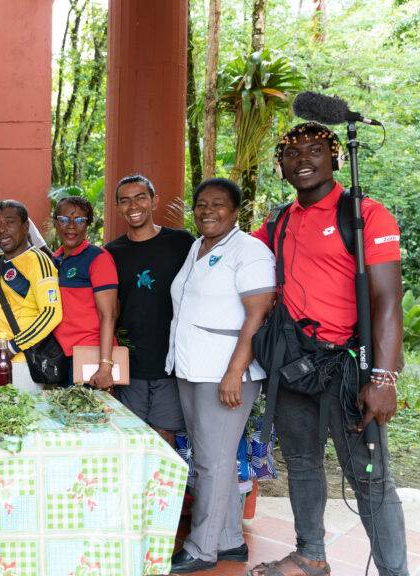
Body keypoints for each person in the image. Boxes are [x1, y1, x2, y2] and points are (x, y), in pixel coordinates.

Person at [247, 123, 406, 576]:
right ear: (281, 166)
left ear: (335, 158)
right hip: (293, 364)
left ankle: (395, 571)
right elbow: (239, 259)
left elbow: (388, 300)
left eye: (315, 149)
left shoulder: (364, 214)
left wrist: (383, 379)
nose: (303, 158)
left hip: (349, 368)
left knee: (369, 478)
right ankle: (311, 555)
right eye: (291, 153)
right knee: (301, 463)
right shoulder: (277, 222)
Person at [165, 178, 276, 574]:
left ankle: (201, 548)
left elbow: (258, 314)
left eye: (218, 204)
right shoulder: (198, 246)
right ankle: (229, 540)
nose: (207, 211)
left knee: (212, 462)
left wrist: (235, 371)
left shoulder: (250, 251)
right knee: (216, 458)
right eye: (201, 204)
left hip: (225, 372)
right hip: (191, 367)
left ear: (235, 212)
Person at [105, 174, 194, 446]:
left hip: (171, 359)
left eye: (140, 198)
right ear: (118, 207)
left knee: (164, 436)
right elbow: (107, 310)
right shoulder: (111, 252)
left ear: (154, 202)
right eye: (125, 201)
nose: (133, 206)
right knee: (131, 437)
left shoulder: (182, 242)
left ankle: (166, 477)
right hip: (131, 359)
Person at [0, 200, 62, 393]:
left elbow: (52, 313)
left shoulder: (38, 261)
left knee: (22, 412)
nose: (2, 229)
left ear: (25, 227)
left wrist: (13, 347)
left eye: (9, 222)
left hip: (21, 361)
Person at [50, 197, 118, 390]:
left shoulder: (98, 258)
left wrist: (105, 366)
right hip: (61, 355)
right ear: (55, 222)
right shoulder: (54, 259)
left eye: (80, 220)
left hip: (90, 354)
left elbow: (109, 315)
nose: (71, 226)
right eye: (64, 219)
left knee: (83, 410)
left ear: (88, 224)